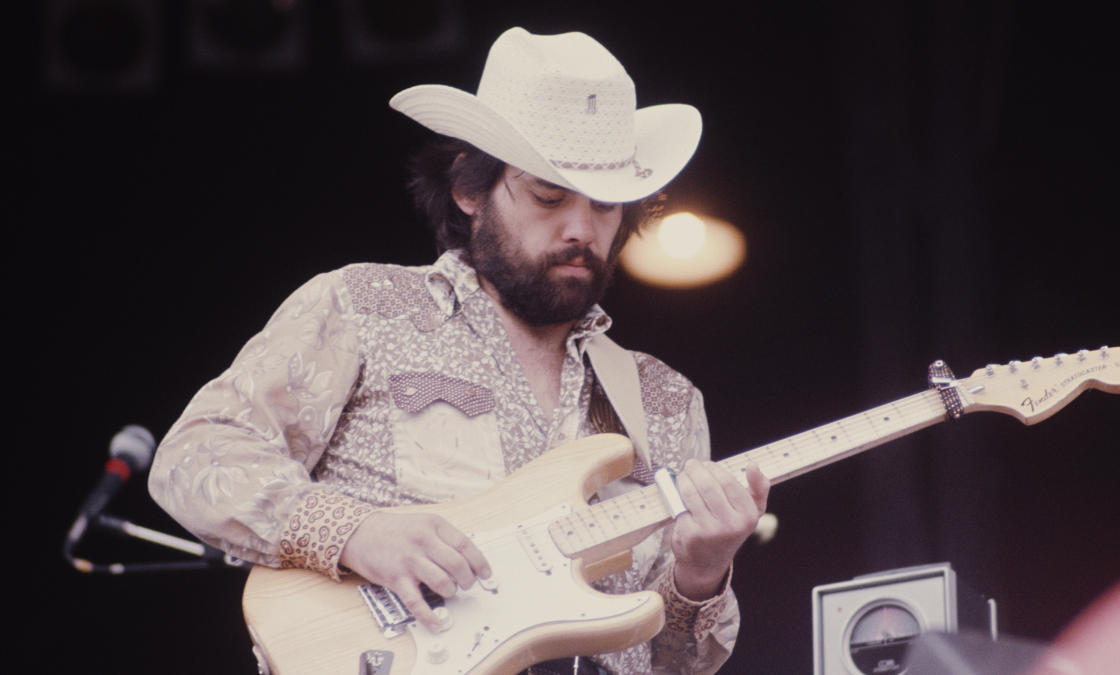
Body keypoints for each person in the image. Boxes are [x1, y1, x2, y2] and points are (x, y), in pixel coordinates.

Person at [149, 27, 769, 675]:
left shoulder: (664, 400)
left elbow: (674, 664)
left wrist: (702, 571)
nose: (582, 229)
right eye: (548, 195)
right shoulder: (361, 304)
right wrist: (359, 532)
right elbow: (196, 455)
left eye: (607, 204)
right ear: (470, 190)